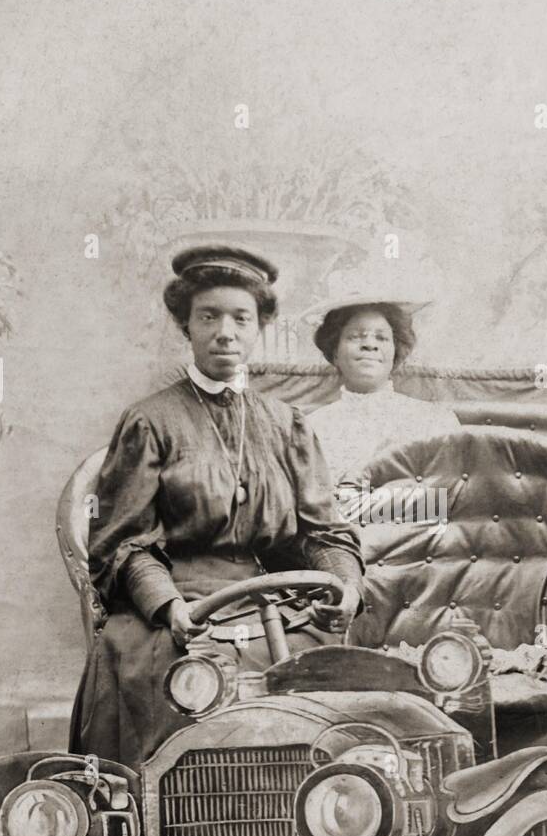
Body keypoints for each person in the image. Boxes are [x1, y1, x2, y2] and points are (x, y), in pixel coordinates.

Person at [71, 241, 363, 769]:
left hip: (274, 597)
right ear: (186, 325)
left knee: (334, 668)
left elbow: (325, 533)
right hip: (178, 604)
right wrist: (167, 604)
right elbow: (121, 543)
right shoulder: (150, 421)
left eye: (240, 318)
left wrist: (344, 587)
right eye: (208, 316)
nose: (225, 331)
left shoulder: (287, 423)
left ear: (258, 329)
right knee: (153, 665)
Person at [305, 292, 460, 483]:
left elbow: (443, 501)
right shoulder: (311, 428)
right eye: (355, 337)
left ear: (395, 353)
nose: (370, 345)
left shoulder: (435, 422)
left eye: (381, 338)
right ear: (335, 352)